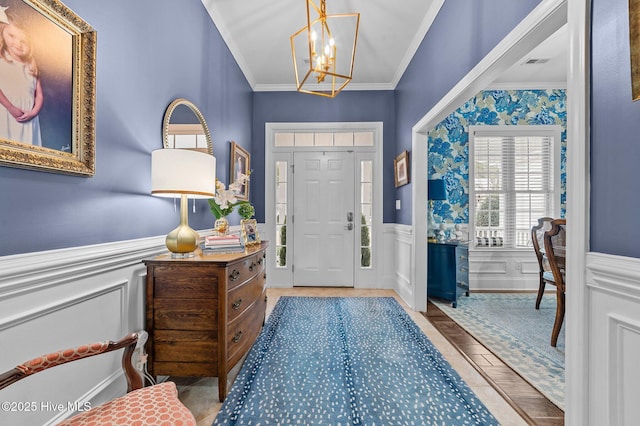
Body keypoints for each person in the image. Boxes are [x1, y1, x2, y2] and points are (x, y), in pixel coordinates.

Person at [0, 6, 43, 146]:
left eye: (23, 41)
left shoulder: (31, 66)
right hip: (6, 112)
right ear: (2, 32)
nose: (18, 44)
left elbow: (39, 95)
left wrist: (34, 112)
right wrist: (10, 107)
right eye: (12, 36)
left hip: (28, 117)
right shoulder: (2, 59)